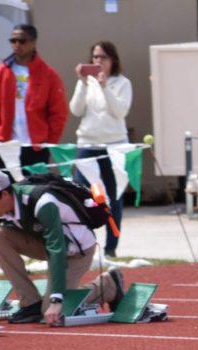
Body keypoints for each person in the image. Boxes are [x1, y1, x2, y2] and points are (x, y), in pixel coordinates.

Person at [0, 170, 124, 325]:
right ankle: (31, 303)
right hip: (47, 243)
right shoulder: (2, 205)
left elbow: (56, 249)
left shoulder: (44, 203)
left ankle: (107, 285)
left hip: (75, 252)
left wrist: (56, 299)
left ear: (4, 194)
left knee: (51, 312)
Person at [69, 40, 132, 259]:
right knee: (80, 194)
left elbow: (120, 111)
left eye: (103, 57)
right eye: (95, 57)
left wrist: (105, 87)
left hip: (113, 145)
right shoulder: (86, 82)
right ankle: (83, 244)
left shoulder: (122, 83)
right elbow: (76, 110)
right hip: (87, 143)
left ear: (113, 60)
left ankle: (111, 247)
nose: (98, 61)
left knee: (113, 196)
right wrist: (84, 83)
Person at [0, 24, 67, 172]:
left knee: (33, 191)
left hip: (35, 147)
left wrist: (49, 142)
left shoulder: (48, 74)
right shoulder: (1, 71)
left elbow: (58, 112)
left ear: (33, 42)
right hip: (4, 145)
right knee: (4, 192)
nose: (16, 44)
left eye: (22, 41)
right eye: (13, 41)